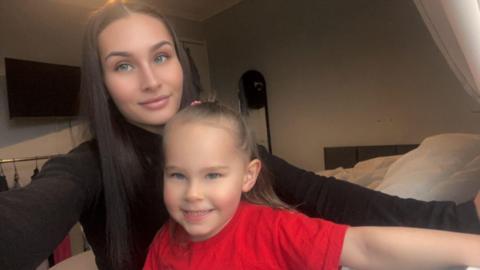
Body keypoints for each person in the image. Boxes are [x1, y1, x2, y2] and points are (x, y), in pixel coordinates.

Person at [0, 1, 479, 270]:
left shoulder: (230, 145)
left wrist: (457, 218)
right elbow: (20, 228)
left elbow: (324, 197)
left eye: (161, 56)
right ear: (101, 81)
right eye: (123, 65)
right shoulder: (88, 165)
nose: (150, 79)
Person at [143, 101, 480, 270]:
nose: (193, 194)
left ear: (248, 176)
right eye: (177, 175)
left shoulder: (274, 229)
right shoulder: (164, 241)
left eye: (212, 175)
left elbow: (364, 246)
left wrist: (469, 249)